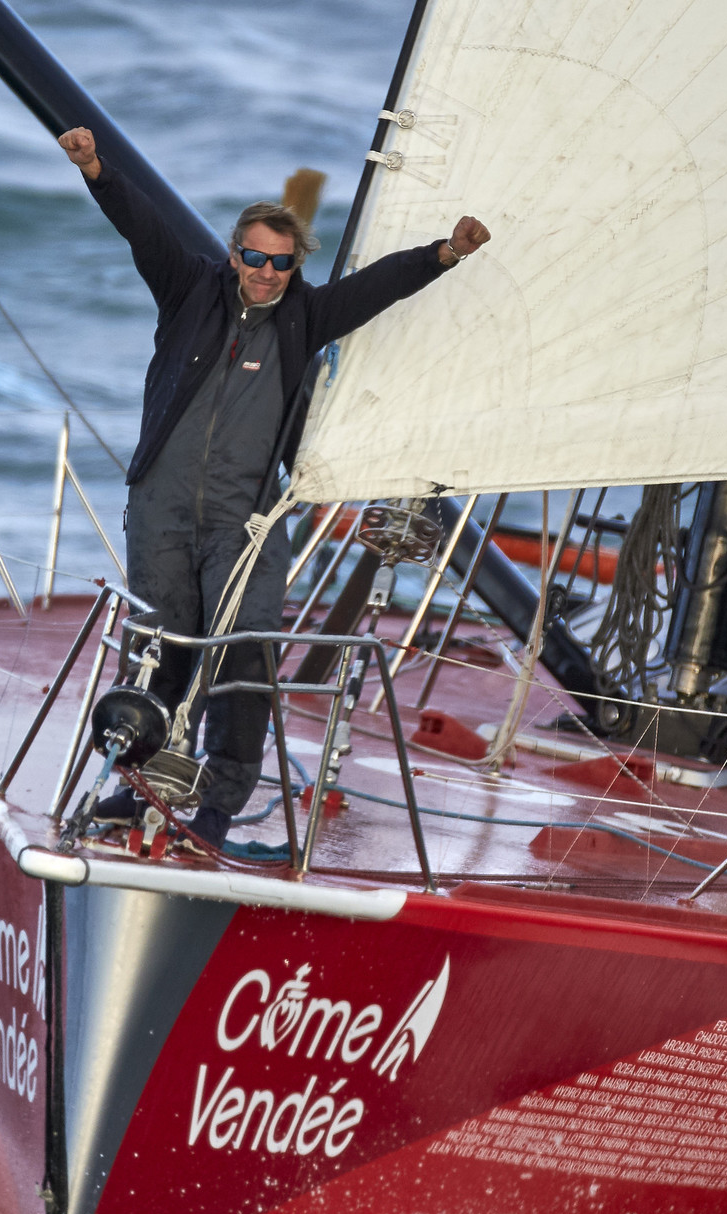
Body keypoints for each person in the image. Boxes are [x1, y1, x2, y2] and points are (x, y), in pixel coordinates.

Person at [57, 125, 490, 850]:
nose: (265, 272)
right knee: (159, 648)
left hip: (244, 519)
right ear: (234, 255)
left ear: (294, 268)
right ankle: (136, 792)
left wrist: (445, 254)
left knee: (243, 660)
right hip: (162, 507)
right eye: (254, 258)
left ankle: (217, 812)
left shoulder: (305, 317)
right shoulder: (189, 288)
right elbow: (143, 228)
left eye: (280, 263)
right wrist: (97, 169)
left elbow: (378, 286)